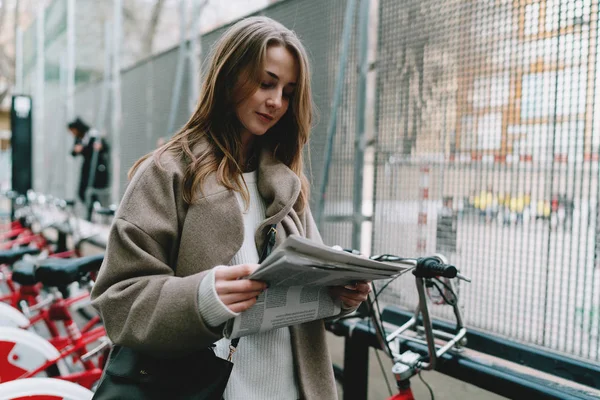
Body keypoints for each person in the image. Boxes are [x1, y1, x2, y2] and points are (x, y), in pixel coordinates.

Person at [90, 16, 370, 400]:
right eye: (265, 83)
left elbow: (304, 290)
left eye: (288, 92)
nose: (276, 102)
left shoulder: (285, 184)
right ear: (229, 77)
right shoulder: (168, 172)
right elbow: (119, 299)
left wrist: (340, 295)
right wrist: (203, 298)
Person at [67, 117, 110, 214]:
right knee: (82, 192)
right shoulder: (79, 138)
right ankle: (91, 210)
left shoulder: (92, 135)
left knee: (92, 191)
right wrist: (76, 150)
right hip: (86, 168)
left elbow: (104, 148)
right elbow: (73, 152)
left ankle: (94, 211)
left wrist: (99, 147)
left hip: (96, 168)